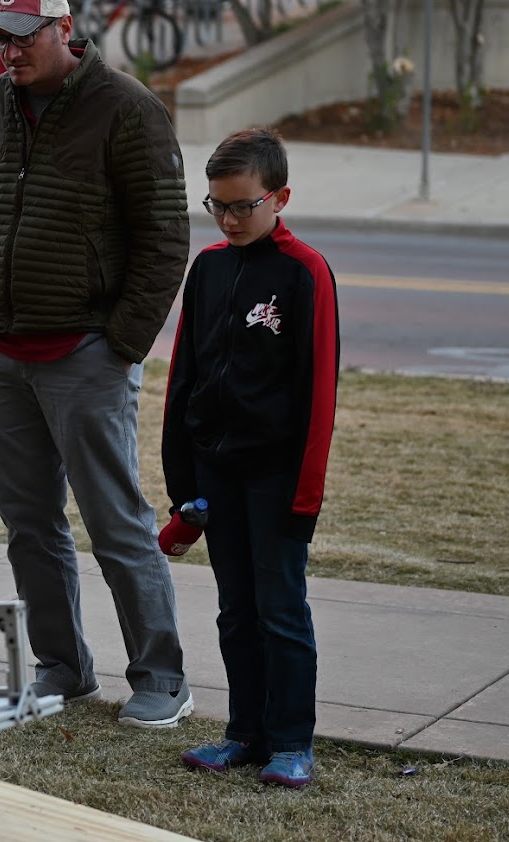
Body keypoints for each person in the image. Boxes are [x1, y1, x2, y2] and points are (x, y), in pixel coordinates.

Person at [0, 0, 193, 727]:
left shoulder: (127, 108)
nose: (9, 51)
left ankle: (161, 676)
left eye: (23, 37)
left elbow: (164, 239)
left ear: (63, 29)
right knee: (29, 524)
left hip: (84, 352)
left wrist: (120, 343)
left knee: (115, 521)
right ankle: (62, 666)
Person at [162, 127, 339, 787]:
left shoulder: (303, 271)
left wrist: (304, 496)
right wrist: (182, 481)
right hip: (216, 470)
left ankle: (291, 741)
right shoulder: (208, 268)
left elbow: (318, 391)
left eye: (244, 205)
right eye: (217, 205)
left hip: (277, 476)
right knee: (235, 608)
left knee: (280, 609)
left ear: (279, 198)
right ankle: (244, 733)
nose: (229, 219)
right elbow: (183, 376)